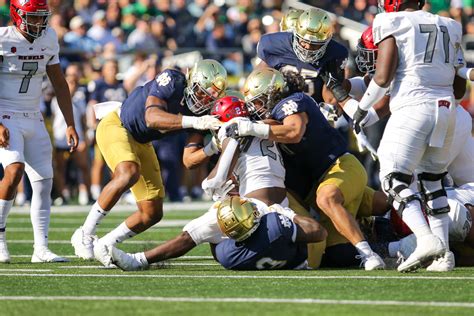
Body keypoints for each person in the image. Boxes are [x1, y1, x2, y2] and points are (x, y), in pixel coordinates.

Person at [106, 96, 326, 270]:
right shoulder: (268, 126)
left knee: (193, 233)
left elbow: (216, 182)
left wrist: (211, 184)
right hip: (280, 203)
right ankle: (293, 259)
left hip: (253, 206)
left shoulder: (234, 132)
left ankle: (138, 260)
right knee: (315, 231)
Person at [334, 0, 463, 272]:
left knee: (392, 178)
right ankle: (444, 255)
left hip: (413, 107)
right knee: (433, 181)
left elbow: (382, 77)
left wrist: (362, 108)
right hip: (447, 107)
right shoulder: (450, 25)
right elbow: (460, 87)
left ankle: (426, 239)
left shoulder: (390, 22)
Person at [71, 60, 227, 267]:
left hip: (142, 142)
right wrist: (194, 121)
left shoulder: (201, 113)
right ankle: (85, 233)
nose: (202, 100)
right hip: (118, 125)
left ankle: (107, 244)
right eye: (200, 92)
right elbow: (152, 117)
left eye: (208, 97)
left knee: (152, 213)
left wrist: (213, 147)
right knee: (128, 173)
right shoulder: (173, 80)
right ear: (191, 80)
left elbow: (189, 161)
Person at [225, 68, 385, 270]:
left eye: (258, 101)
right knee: (338, 255)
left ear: (273, 92)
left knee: (351, 201)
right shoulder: (265, 120)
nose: (255, 107)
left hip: (338, 167)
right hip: (312, 189)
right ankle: (390, 245)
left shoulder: (293, 101)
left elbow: (293, 132)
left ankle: (371, 254)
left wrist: (251, 128)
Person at [0, 0, 79, 263]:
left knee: (44, 182)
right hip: (6, 114)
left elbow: (59, 82)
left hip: (34, 116)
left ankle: (41, 248)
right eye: (33, 17)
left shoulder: (48, 37)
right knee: (14, 172)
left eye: (41, 17)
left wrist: (69, 122)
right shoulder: (3, 38)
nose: (38, 23)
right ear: (16, 15)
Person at [256, 7, 348, 104]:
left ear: (326, 41)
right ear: (294, 33)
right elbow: (258, 79)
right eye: (304, 41)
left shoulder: (334, 53)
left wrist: (328, 109)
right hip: (279, 104)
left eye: (314, 44)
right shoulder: (273, 45)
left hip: (316, 109)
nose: (307, 48)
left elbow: (331, 96)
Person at [51, 64, 90, 206]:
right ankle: (63, 194)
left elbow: (83, 120)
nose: (72, 85)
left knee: (83, 166)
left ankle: (86, 193)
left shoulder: (80, 99)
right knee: (60, 167)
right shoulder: (56, 100)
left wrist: (85, 136)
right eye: (70, 82)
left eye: (74, 83)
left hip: (77, 137)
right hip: (60, 137)